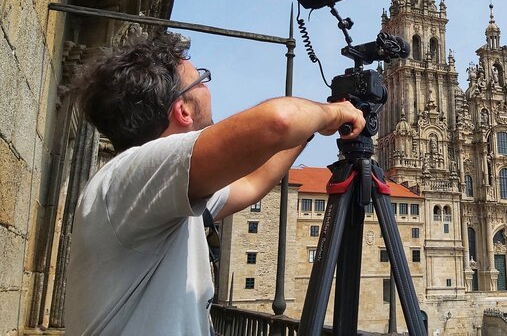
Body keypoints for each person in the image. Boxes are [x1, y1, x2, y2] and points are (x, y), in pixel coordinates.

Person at [64, 32, 365, 335]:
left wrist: (312, 128)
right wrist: (333, 113)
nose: (208, 87)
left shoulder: (158, 191)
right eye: (201, 80)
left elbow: (252, 183)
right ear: (182, 109)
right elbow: (278, 121)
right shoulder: (132, 175)